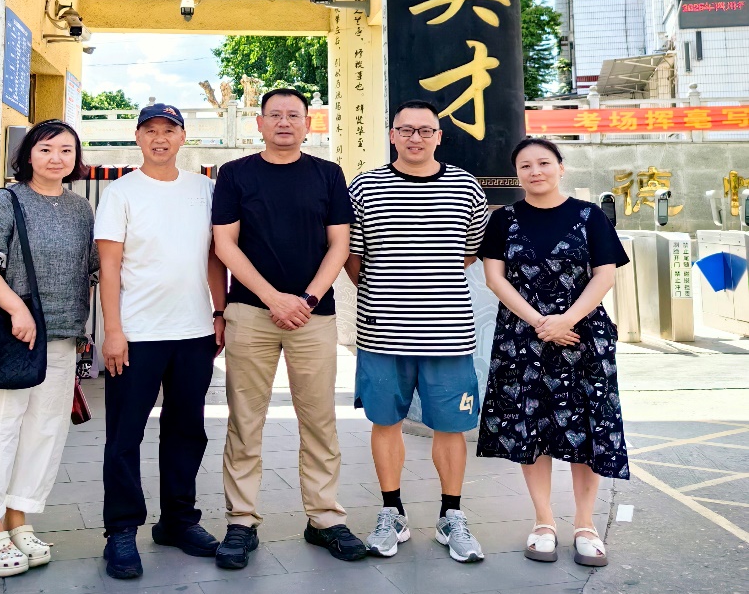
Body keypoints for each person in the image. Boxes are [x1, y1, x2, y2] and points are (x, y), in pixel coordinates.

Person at [212, 88, 367, 569]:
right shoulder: (235, 174)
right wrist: (273, 298)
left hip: (313, 317)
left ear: (307, 124)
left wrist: (307, 298)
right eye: (275, 115)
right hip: (250, 313)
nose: (284, 122)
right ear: (259, 123)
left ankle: (325, 518)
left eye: (293, 115)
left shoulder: (328, 174)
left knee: (319, 420)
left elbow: (340, 244)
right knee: (244, 421)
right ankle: (241, 521)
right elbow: (225, 244)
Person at [0, 120, 98, 578]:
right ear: (28, 155)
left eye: (66, 150)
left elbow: (95, 268)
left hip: (61, 339)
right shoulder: (6, 201)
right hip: (8, 338)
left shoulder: (81, 209)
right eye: (46, 149)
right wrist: (18, 310)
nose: (56, 158)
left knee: (43, 433)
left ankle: (18, 522)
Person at [346, 100, 489, 563]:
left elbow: (469, 252)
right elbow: (353, 257)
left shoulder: (467, 187)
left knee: (452, 427)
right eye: (405, 129)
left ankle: (452, 516)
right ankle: (392, 512)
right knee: (385, 422)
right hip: (381, 334)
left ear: (439, 137)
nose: (415, 138)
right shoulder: (364, 187)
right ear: (392, 135)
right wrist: (388, 292)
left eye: (425, 130)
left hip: (450, 334)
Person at [478, 137, 629, 567]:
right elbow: (495, 278)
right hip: (522, 338)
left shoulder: (590, 215)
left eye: (544, 163)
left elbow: (604, 276)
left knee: (588, 427)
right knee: (532, 425)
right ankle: (544, 522)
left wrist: (567, 320)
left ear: (561, 167)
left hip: (583, 338)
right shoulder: (503, 219)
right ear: (517, 174)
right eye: (525, 166)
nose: (535, 171)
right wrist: (541, 323)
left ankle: (585, 525)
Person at [95, 103, 227, 580]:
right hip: (137, 334)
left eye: (168, 130)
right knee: (125, 435)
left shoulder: (204, 189)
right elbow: (109, 266)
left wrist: (219, 311)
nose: (159, 138)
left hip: (194, 332)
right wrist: (113, 331)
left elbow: (215, 256)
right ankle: (121, 530)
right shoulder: (120, 192)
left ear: (183, 137)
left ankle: (177, 520)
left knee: (186, 430)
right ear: (137, 137)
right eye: (150, 130)